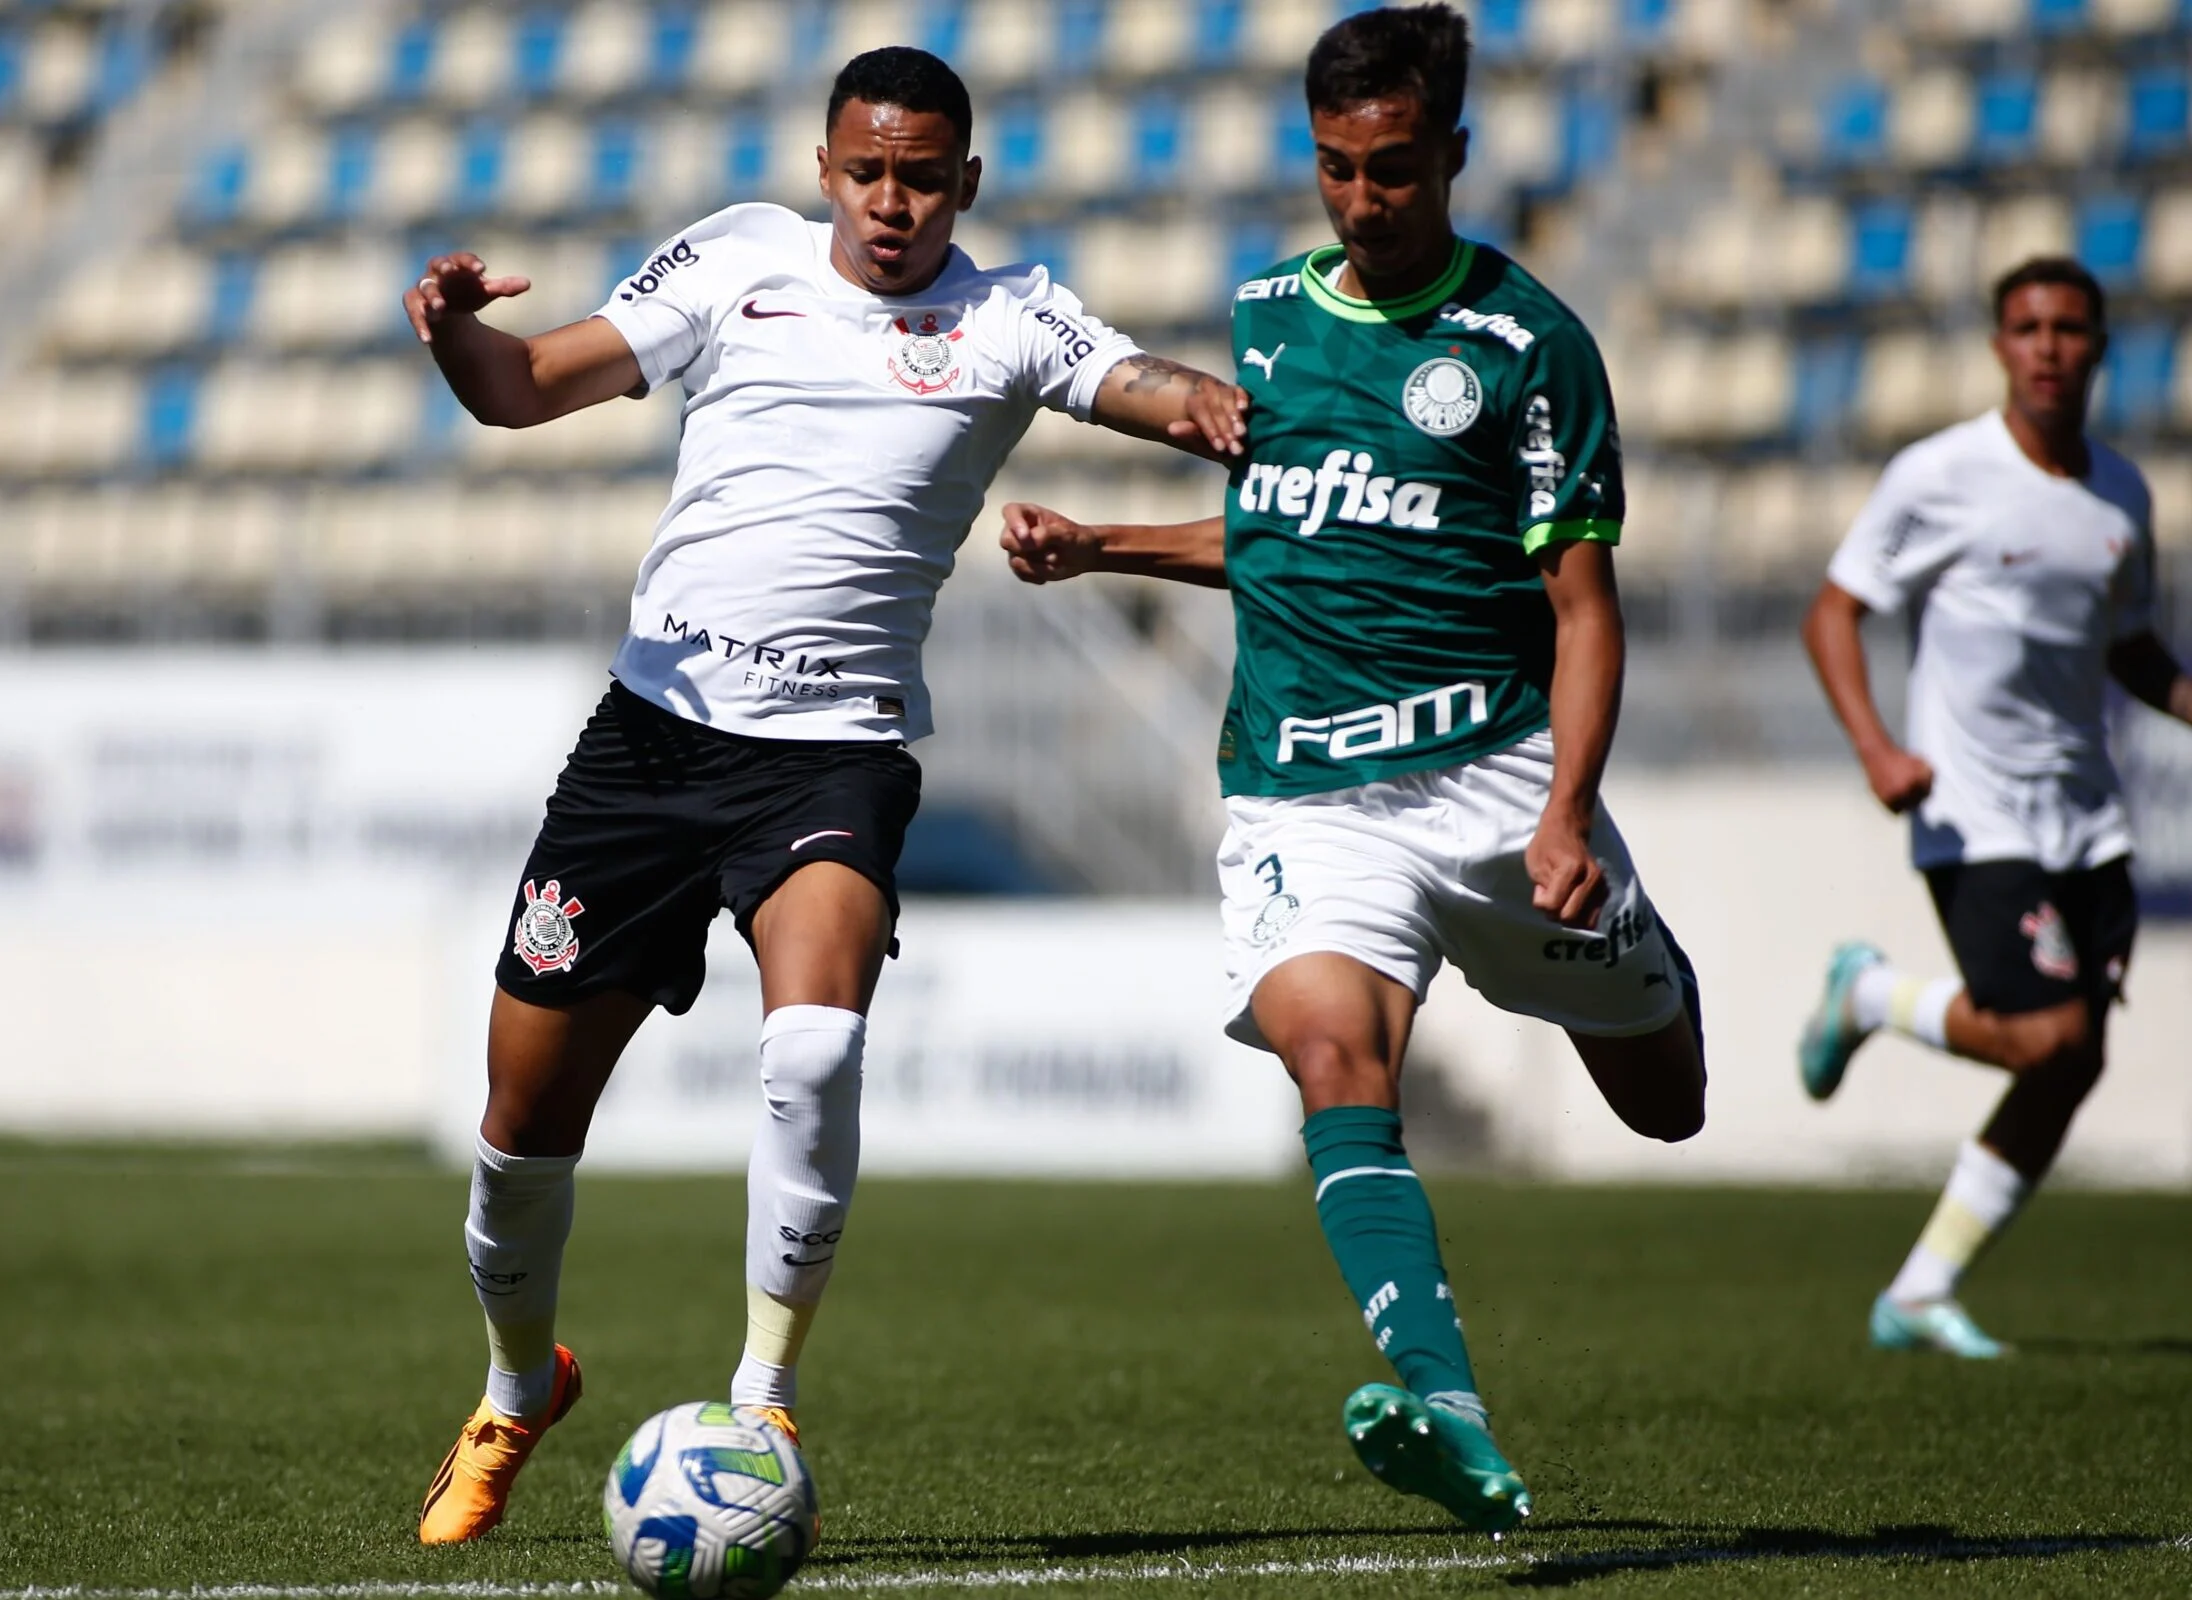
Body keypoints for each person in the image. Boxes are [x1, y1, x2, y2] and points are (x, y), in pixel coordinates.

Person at [398, 47, 1246, 1545]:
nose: (893, 200)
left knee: (813, 1048)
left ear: (967, 183)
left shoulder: (1009, 314)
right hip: (650, 744)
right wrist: (456, 334)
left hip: (836, 756)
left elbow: (1158, 392)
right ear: (824, 166)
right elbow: (523, 389)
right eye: (868, 169)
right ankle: (519, 1389)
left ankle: (761, 1400)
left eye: (923, 175)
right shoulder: (737, 263)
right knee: (520, 1133)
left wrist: (1235, 412)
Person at [995, 5, 1702, 1536]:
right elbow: (1279, 541)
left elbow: (1584, 611)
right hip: (1305, 789)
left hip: (1499, 781)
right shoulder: (1262, 319)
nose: (1362, 200)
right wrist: (1102, 540)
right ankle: (1452, 1412)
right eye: (1335, 169)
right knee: (1334, 1061)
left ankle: (1654, 970)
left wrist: (1570, 810)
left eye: (1392, 169)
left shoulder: (1530, 347)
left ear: (1452, 152)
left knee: (1666, 1106)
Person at [1797, 257, 2187, 1359]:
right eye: (2027, 326)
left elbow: (2130, 647)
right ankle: (1869, 993)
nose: (2049, 346)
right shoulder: (1940, 474)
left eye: (2070, 327)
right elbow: (1832, 612)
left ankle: (1919, 1290)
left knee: (2073, 1060)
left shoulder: (2122, 494)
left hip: (2087, 816)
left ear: (2102, 348)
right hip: (1973, 807)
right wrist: (1876, 746)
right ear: (1998, 346)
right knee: (2044, 1034)